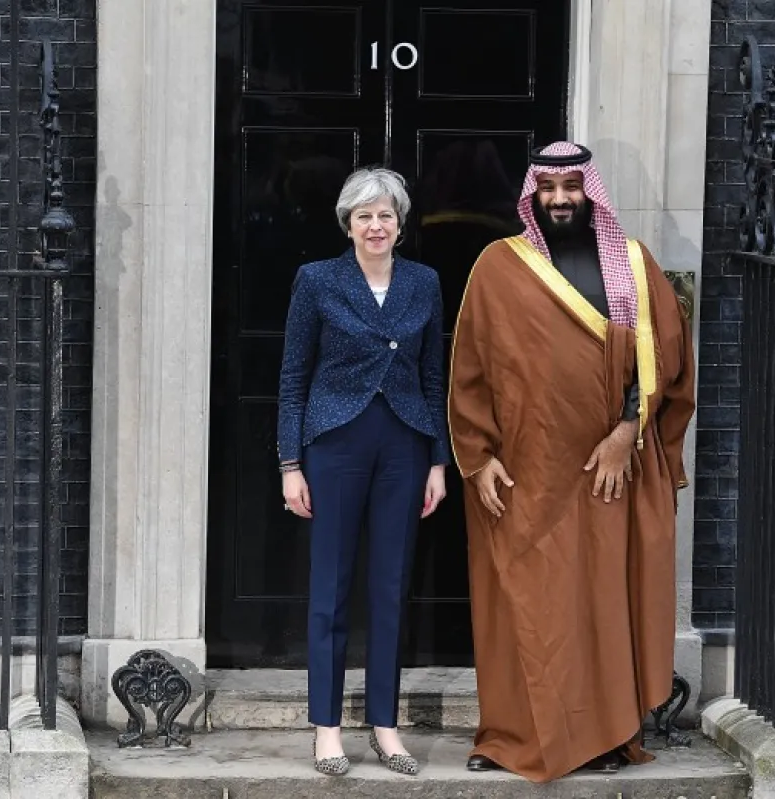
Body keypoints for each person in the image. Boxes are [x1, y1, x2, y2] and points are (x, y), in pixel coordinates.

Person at [447, 141, 696, 782]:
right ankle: (506, 736)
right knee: (519, 604)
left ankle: (608, 737)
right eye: (549, 188)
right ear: (533, 195)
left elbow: (663, 362)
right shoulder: (497, 267)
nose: (561, 198)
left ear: (591, 193)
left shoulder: (634, 267)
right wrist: (476, 459)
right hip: (523, 472)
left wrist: (624, 434)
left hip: (608, 473)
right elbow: (469, 369)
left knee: (600, 603)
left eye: (572, 187)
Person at [277, 166, 451, 777]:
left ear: (400, 225)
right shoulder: (317, 281)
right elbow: (294, 376)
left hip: (404, 445)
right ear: (347, 224)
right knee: (330, 588)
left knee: (389, 587)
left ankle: (385, 725)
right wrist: (290, 464)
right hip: (335, 446)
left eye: (386, 216)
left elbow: (434, 377)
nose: (375, 226)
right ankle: (327, 730)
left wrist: (438, 460)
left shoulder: (425, 283)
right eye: (364, 216)